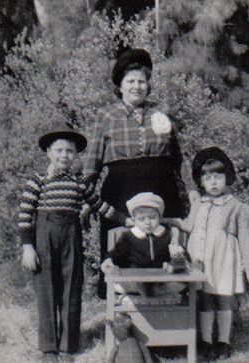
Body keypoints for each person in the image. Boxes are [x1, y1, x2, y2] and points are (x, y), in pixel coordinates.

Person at [83, 48, 192, 299]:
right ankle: (125, 321)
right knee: (123, 252)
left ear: (148, 85)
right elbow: (92, 163)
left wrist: (193, 192)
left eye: (142, 81)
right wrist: (86, 200)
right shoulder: (106, 116)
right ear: (119, 85)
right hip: (120, 192)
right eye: (130, 81)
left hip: (163, 191)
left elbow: (179, 159)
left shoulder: (160, 114)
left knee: (168, 251)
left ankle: (171, 318)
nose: (136, 86)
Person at [18, 123, 125, 362]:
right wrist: (28, 247)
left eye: (69, 151)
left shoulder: (79, 183)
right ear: (48, 152)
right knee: (47, 292)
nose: (64, 155)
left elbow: (100, 206)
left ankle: (68, 347)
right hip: (43, 240)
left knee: (71, 290)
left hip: (71, 239)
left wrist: (126, 220)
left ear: (76, 154)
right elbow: (25, 216)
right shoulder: (37, 181)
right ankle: (49, 349)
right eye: (59, 150)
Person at [176, 147, 249, 360]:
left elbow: (246, 236)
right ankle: (206, 342)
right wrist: (163, 221)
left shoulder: (237, 207)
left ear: (227, 178)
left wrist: (248, 264)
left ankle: (223, 341)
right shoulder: (198, 204)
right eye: (208, 177)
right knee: (204, 299)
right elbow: (187, 225)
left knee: (224, 299)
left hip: (224, 259)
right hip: (200, 261)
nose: (213, 182)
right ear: (200, 181)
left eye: (218, 177)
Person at [100, 192, 185, 298]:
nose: (147, 222)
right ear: (134, 220)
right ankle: (153, 296)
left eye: (152, 217)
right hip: (136, 278)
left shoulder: (167, 234)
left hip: (161, 278)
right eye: (142, 219)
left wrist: (177, 257)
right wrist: (109, 259)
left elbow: (180, 257)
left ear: (160, 217)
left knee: (180, 285)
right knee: (120, 285)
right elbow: (116, 252)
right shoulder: (129, 236)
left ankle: (139, 297)